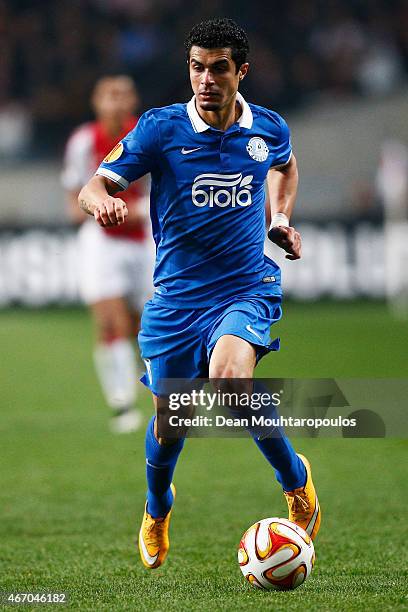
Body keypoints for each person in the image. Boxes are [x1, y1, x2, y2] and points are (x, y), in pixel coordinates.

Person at [78, 18, 321, 569]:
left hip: (245, 285)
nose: (205, 79)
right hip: (177, 300)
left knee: (233, 381)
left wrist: (279, 217)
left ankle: (295, 482)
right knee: (171, 424)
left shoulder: (267, 129)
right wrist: (102, 204)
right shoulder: (160, 130)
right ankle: (157, 508)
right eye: (196, 67)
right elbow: (97, 184)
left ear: (241, 71)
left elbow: (286, 165)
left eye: (217, 68)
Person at [62, 75, 153, 433]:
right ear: (96, 101)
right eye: (108, 95)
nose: (115, 102)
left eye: (122, 95)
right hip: (100, 241)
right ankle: (122, 403)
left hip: (144, 240)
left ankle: (155, 390)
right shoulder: (84, 141)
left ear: (132, 100)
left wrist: (138, 212)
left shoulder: (148, 135)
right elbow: (73, 198)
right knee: (110, 321)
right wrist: (94, 208)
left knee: (140, 326)